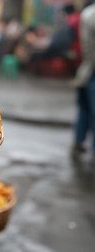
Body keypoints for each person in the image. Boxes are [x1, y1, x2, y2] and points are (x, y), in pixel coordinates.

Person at [71, 1, 95, 166]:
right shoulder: (91, 14)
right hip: (91, 69)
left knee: (84, 109)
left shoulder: (87, 13)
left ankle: (79, 143)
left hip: (85, 69)